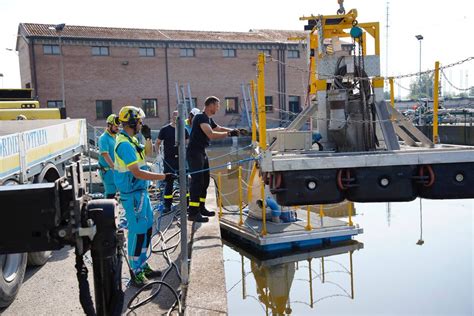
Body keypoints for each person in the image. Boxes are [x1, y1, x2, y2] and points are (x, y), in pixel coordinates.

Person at [114, 105, 176, 286]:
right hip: (132, 194)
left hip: (140, 192)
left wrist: (148, 137)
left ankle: (142, 263)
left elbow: (148, 153)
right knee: (137, 231)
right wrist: (163, 177)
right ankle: (135, 270)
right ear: (133, 122)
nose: (142, 123)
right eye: (140, 121)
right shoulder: (124, 144)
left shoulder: (131, 140)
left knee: (148, 226)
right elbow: (137, 172)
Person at [186, 96, 241, 222]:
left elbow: (219, 128)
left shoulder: (208, 119)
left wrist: (234, 131)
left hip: (202, 152)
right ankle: (193, 213)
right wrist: (229, 134)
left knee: (205, 181)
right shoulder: (200, 117)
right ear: (210, 105)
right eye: (217, 105)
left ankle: (201, 208)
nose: (218, 108)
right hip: (195, 153)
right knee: (197, 182)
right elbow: (211, 134)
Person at [155, 110, 189, 213]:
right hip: (169, 160)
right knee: (169, 183)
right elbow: (157, 143)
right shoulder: (165, 129)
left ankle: (186, 204)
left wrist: (187, 153)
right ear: (172, 117)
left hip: (181, 160)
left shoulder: (183, 130)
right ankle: (167, 206)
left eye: (178, 116)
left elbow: (188, 143)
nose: (176, 118)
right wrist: (159, 155)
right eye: (174, 116)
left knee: (184, 182)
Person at [98, 114, 119, 198]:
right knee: (110, 194)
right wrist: (114, 168)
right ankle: (107, 210)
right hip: (108, 171)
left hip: (115, 170)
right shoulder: (103, 138)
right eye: (115, 126)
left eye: (118, 126)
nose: (118, 128)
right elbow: (105, 154)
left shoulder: (116, 137)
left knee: (117, 194)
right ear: (109, 125)